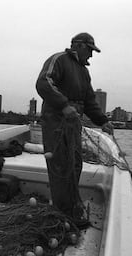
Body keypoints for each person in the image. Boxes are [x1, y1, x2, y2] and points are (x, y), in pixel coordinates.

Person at [36, 32, 114, 226]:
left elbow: (89, 101)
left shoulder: (84, 71)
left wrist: (102, 120)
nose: (91, 55)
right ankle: (62, 212)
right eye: (90, 50)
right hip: (56, 122)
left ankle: (70, 207)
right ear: (78, 46)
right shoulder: (59, 60)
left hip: (73, 123)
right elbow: (43, 83)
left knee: (75, 163)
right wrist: (63, 105)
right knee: (61, 164)